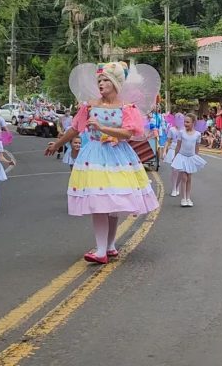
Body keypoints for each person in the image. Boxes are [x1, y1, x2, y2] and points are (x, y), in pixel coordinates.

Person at [46, 62, 160, 265]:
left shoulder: (127, 108)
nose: (101, 84)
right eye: (99, 80)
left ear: (116, 83)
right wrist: (58, 144)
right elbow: (75, 128)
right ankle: (102, 249)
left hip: (118, 156)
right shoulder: (89, 105)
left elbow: (129, 133)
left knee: (112, 202)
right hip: (95, 156)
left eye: (106, 80)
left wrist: (103, 128)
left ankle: (108, 246)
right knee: (100, 202)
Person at [170, 114, 206, 207]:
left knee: (189, 178)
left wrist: (196, 158)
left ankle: (188, 198)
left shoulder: (197, 134)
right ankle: (183, 198)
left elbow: (197, 148)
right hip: (182, 157)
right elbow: (178, 145)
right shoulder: (181, 133)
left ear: (193, 123)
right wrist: (175, 157)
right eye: (184, 122)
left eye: (187, 122)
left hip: (191, 157)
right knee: (184, 177)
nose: (185, 123)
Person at [163, 117, 181, 197]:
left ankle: (177, 187)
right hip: (173, 149)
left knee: (181, 171)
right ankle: (174, 188)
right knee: (174, 170)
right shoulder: (172, 129)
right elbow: (167, 140)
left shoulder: (184, 130)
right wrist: (164, 151)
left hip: (181, 150)